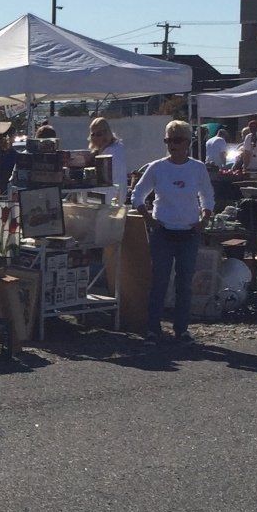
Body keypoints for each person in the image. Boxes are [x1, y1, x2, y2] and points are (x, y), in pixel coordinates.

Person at [130, 119, 215, 343]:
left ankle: (182, 328)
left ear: (187, 142)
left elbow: (207, 194)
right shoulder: (157, 167)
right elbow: (137, 194)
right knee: (159, 280)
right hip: (164, 231)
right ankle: (153, 327)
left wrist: (205, 218)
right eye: (168, 140)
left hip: (189, 231)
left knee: (184, 282)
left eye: (177, 140)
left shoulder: (197, 168)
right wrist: (148, 217)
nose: (172, 145)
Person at [87, 115, 127, 187]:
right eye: (93, 134)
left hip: (111, 193)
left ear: (106, 134)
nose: (95, 137)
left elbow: (101, 177)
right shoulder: (117, 146)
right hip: (115, 192)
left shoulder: (111, 151)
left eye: (99, 134)